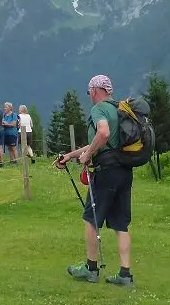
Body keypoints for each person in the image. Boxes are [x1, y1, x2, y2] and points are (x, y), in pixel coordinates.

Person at [56, 74, 134, 287]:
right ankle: (125, 274)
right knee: (121, 224)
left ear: (94, 90)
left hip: (105, 172)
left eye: (89, 92)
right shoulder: (120, 109)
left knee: (91, 219)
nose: (89, 96)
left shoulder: (98, 109)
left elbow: (103, 134)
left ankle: (91, 269)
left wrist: (88, 155)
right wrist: (72, 155)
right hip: (124, 171)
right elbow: (101, 141)